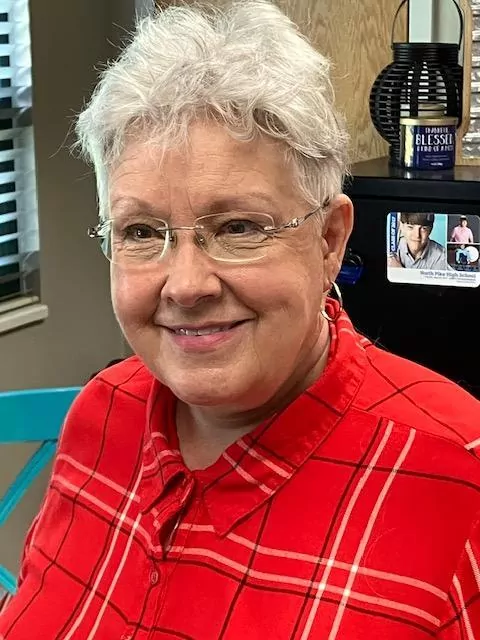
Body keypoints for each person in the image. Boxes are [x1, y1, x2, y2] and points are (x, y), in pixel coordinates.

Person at [1, 2, 480, 638]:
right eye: (141, 231)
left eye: (239, 228)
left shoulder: (457, 478)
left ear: (330, 240)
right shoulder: (101, 412)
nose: (186, 285)